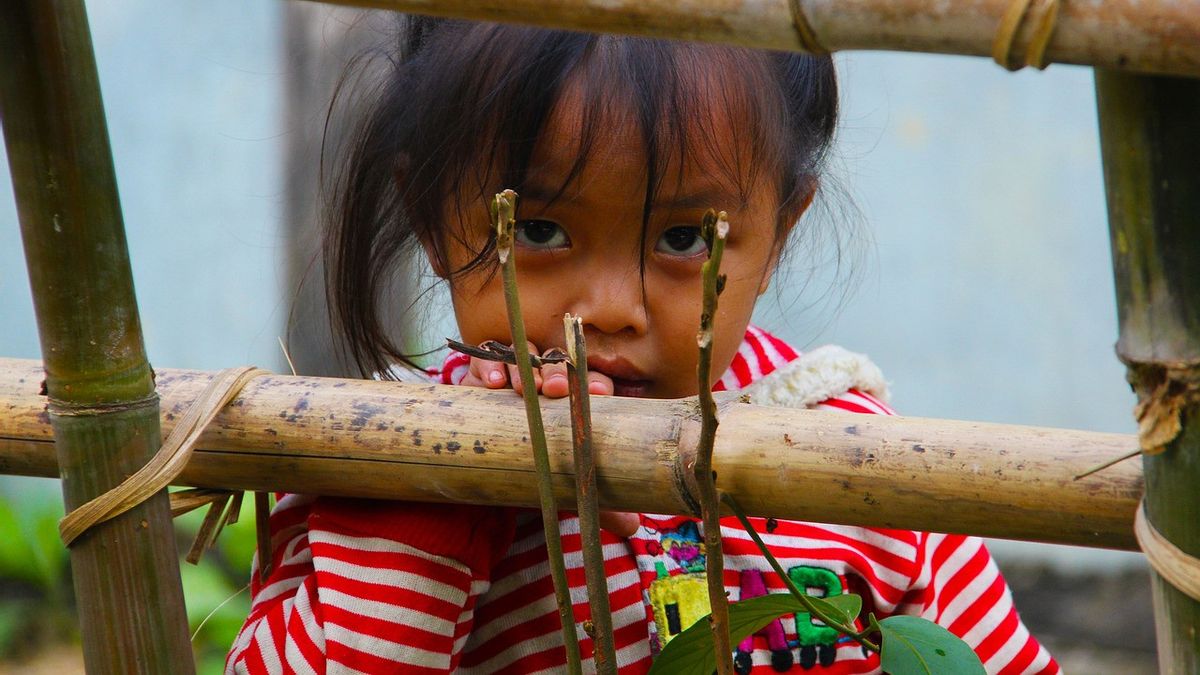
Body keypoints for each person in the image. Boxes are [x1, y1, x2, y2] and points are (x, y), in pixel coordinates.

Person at [226, 17, 1058, 675]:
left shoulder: (854, 455)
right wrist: (440, 498)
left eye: (686, 239)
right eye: (541, 228)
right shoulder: (377, 465)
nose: (612, 309)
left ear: (778, 233)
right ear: (434, 216)